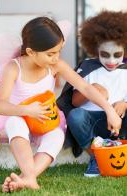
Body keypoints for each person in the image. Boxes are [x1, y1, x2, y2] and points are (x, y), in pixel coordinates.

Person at [0, 17, 121, 192]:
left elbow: (85, 87)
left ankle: (27, 178)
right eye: (50, 54)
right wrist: (26, 110)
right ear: (31, 52)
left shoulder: (55, 65)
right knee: (15, 122)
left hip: (46, 121)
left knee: (56, 136)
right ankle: (30, 178)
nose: (56, 58)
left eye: (59, 51)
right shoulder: (14, 68)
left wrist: (109, 109)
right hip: (20, 117)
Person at [58, 11, 127, 177]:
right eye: (105, 55)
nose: (111, 61)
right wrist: (92, 90)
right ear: (96, 49)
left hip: (121, 124)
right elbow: (73, 102)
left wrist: (124, 104)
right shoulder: (88, 67)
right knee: (76, 116)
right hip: (91, 122)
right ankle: (96, 157)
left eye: (117, 55)